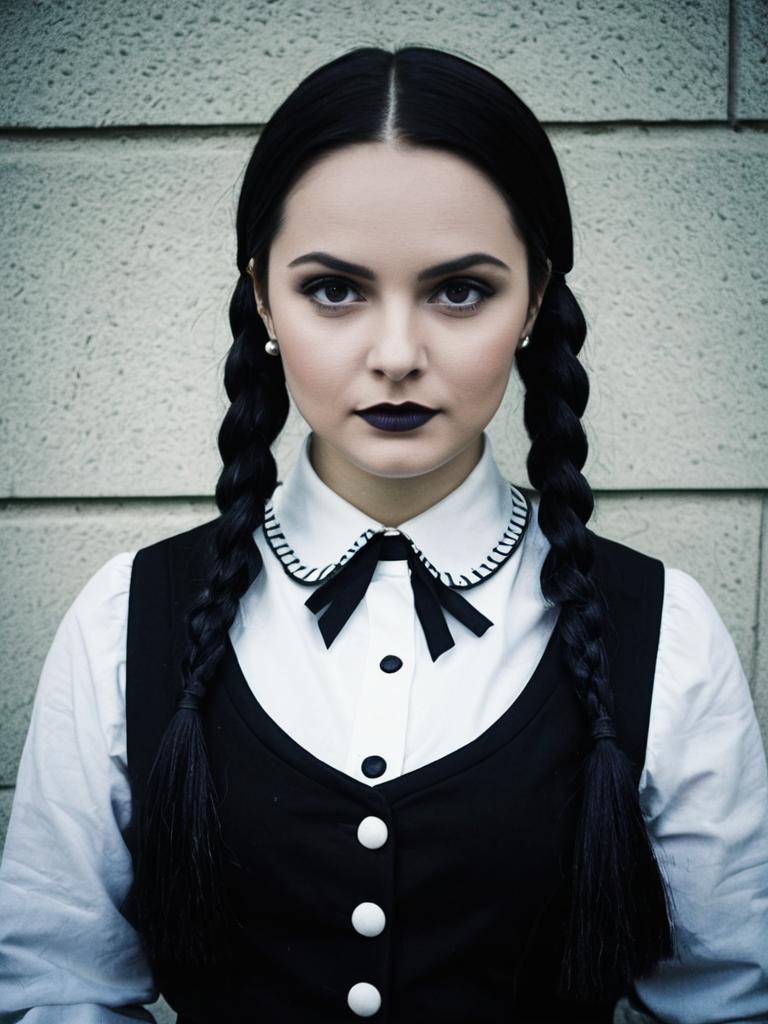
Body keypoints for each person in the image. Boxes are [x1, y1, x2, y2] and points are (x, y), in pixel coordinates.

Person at [0, 44, 766, 1024]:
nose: (397, 355)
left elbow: (730, 1002)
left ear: (534, 296)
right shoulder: (123, 616)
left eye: (459, 291)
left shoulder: (666, 630)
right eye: (334, 288)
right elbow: (57, 993)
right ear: (264, 298)